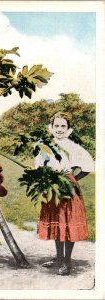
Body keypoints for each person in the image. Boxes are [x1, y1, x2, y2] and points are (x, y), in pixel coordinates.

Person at [34, 112, 94, 276]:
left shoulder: (73, 147)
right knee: (56, 221)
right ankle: (58, 257)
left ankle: (67, 261)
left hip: (67, 188)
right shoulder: (46, 145)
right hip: (51, 187)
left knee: (68, 222)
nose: (59, 129)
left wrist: (73, 179)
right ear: (51, 128)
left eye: (63, 126)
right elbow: (39, 165)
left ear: (68, 129)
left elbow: (88, 166)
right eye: (56, 126)